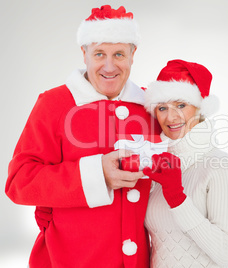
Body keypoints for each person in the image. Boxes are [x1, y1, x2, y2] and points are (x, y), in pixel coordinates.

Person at [5, 5, 160, 268]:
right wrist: (97, 173)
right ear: (84, 53)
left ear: (133, 55)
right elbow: (19, 182)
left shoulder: (152, 106)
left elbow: (179, 167)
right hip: (71, 259)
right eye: (100, 53)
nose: (109, 66)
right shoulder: (55, 104)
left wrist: (218, 205)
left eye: (119, 54)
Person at [141, 59, 228, 267]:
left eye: (181, 105)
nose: (171, 117)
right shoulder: (158, 166)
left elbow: (225, 251)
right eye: (162, 107)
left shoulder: (219, 164)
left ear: (200, 108)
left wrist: (177, 198)